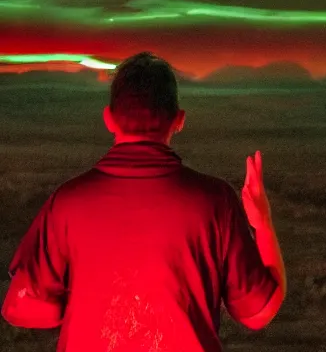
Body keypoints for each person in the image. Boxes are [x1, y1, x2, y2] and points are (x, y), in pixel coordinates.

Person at [1, 51, 286, 352]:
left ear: (109, 119)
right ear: (179, 120)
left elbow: (25, 309)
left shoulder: (68, 202)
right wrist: (262, 222)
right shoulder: (216, 201)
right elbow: (258, 312)